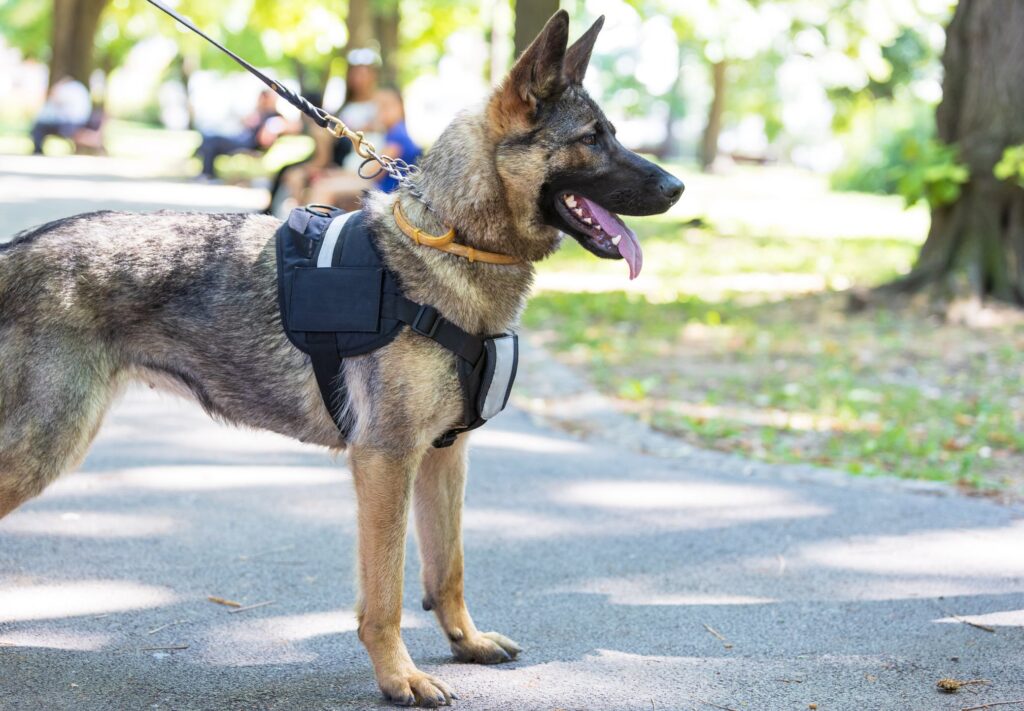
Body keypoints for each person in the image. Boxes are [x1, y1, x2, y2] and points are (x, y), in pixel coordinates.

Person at [270, 49, 381, 214]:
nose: (359, 78)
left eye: (364, 72)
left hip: (361, 166)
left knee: (315, 182)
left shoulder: (381, 104)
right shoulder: (344, 107)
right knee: (292, 174)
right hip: (339, 158)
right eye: (355, 73)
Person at [195, 89, 295, 180]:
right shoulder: (259, 113)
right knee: (209, 137)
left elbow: (265, 138)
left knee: (213, 140)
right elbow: (244, 123)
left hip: (249, 144)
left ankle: (206, 169)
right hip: (242, 138)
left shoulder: (274, 117)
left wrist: (271, 128)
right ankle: (206, 169)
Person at [373, 86, 422, 194]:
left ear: (399, 107)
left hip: (391, 194)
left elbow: (374, 173)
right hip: (386, 191)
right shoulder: (391, 133)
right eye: (378, 106)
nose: (380, 111)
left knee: (329, 189)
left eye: (385, 106)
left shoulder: (397, 135)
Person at [31, 77, 93, 155]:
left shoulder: (66, 90)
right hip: (79, 122)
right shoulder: (79, 88)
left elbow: (56, 103)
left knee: (40, 126)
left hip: (68, 124)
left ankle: (37, 150)